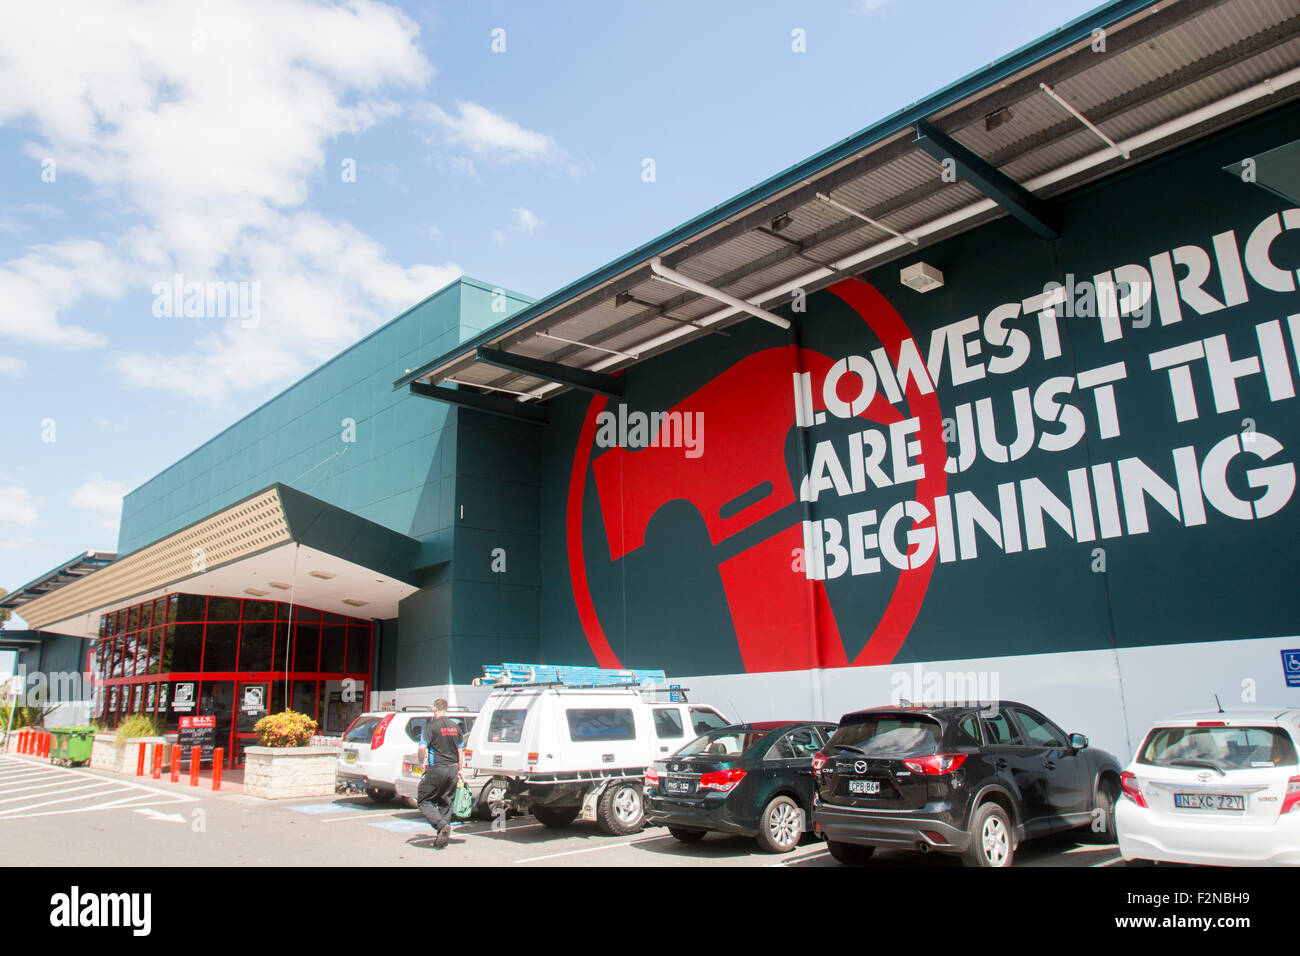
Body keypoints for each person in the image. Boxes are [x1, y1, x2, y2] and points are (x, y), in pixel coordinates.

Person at [416, 699, 463, 849]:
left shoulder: (431, 728)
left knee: (423, 800)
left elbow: (422, 748)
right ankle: (442, 838)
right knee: (446, 802)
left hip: (437, 768)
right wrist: (459, 770)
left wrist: (420, 761)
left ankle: (441, 825)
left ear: (435, 709)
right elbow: (460, 752)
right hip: (452, 769)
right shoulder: (456, 728)